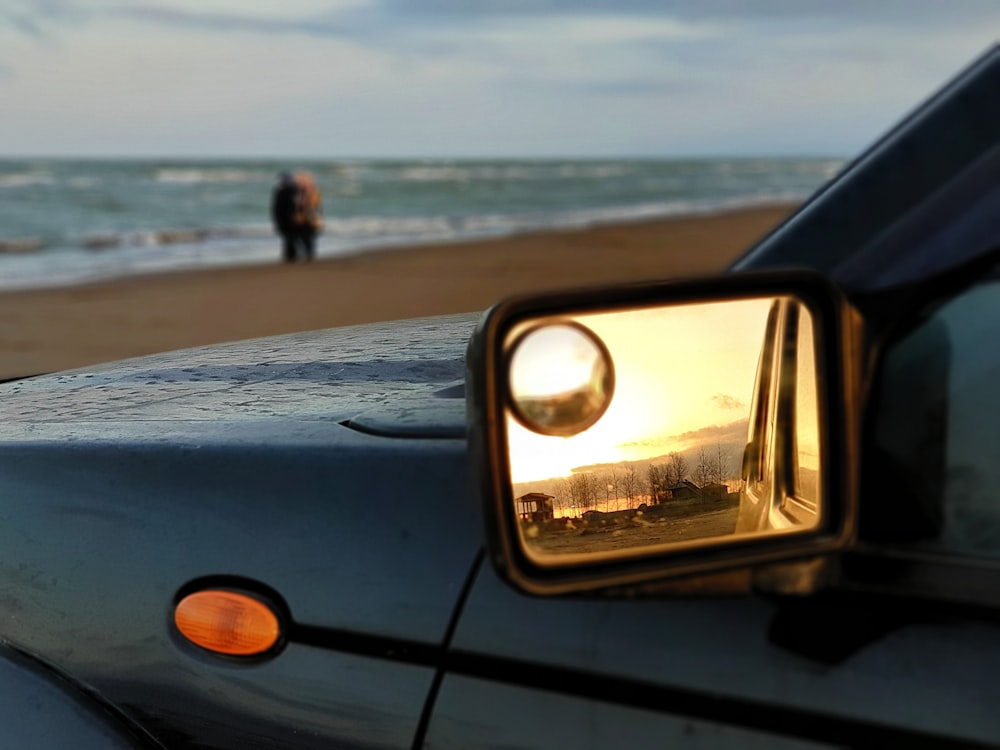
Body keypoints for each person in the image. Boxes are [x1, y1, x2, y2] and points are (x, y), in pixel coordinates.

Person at [291, 172, 323, 262]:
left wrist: (304, 205)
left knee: (309, 238)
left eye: (303, 182)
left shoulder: (314, 192)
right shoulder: (298, 193)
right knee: (302, 238)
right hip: (300, 219)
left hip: (310, 219)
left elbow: (315, 206)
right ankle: (306, 255)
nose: (301, 183)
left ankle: (310, 256)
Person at [271, 172, 300, 263]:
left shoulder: (291, 191)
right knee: (289, 238)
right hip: (286, 219)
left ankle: (291, 256)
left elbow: (277, 208)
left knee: (290, 238)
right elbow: (276, 208)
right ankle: (290, 256)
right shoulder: (284, 191)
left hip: (289, 219)